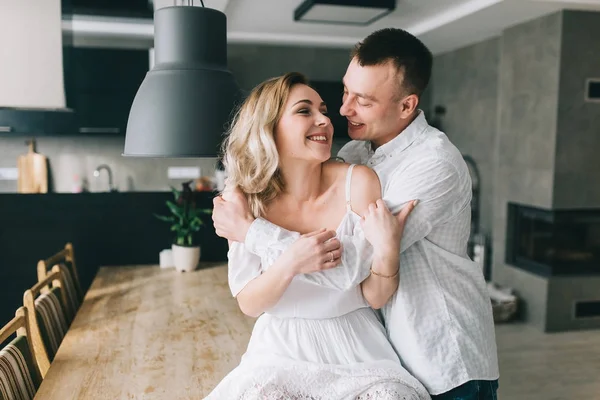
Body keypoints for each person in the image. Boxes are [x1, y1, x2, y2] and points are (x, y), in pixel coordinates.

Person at [212, 28, 500, 400]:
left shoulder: (434, 164)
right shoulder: (355, 155)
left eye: (362, 100)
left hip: (441, 352)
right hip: (377, 347)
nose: (343, 110)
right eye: (346, 92)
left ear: (407, 106)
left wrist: (254, 233)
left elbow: (353, 265)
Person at [204, 72, 430, 399]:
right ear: (269, 128)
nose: (324, 119)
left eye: (323, 110)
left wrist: (388, 250)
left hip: (357, 346)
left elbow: (374, 295)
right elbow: (249, 301)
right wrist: (290, 263)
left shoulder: (359, 183)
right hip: (279, 350)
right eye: (304, 111)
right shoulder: (245, 199)